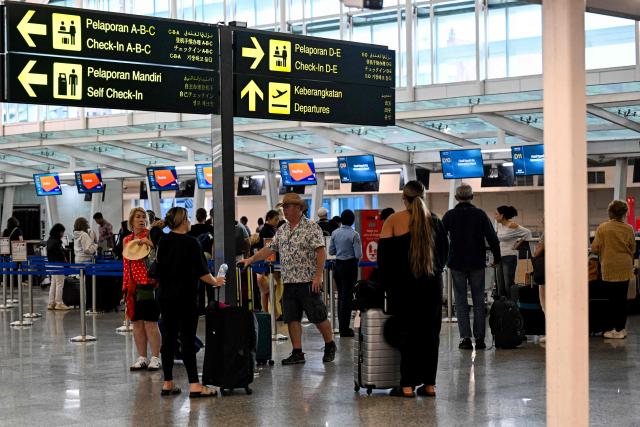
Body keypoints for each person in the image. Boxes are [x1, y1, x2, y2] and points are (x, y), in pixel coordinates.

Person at [240, 193, 336, 365]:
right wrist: (251, 259)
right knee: (292, 318)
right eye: (283, 207)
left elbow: (321, 252)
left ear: (299, 208)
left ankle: (329, 345)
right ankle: (297, 352)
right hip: (289, 281)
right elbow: (269, 249)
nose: (284, 209)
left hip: (307, 281)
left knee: (318, 316)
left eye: (288, 206)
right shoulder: (282, 230)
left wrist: (318, 276)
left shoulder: (311, 227)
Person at [378, 180, 448, 398]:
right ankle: (429, 385)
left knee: (407, 335)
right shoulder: (436, 221)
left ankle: (407, 386)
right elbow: (444, 256)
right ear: (423, 196)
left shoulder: (392, 220)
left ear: (404, 198)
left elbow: (384, 260)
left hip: (403, 289)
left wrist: (386, 288)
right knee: (430, 336)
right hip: (432, 287)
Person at [154, 207, 225, 397]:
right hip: (185, 297)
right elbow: (202, 272)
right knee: (187, 339)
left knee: (168, 339)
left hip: (164, 296)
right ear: (184, 220)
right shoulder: (191, 243)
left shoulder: (164, 241)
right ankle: (194, 384)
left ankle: (167, 383)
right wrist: (216, 281)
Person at [442, 184, 501, 350]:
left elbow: (438, 236)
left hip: (456, 263)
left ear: (456, 198)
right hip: (477, 263)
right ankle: (480, 339)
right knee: (478, 301)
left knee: (460, 301)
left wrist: (442, 259)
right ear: (472, 196)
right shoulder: (480, 214)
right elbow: (493, 238)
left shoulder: (450, 215)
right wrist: (497, 258)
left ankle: (465, 339)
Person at [122, 207, 161, 371]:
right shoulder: (127, 240)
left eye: (143, 217)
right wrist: (124, 287)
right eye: (137, 217)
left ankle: (156, 357)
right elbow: (126, 265)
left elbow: (162, 254)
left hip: (148, 284)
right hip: (131, 286)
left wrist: (150, 244)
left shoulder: (152, 235)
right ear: (131, 221)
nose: (141, 219)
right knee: (136, 323)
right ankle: (142, 357)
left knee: (150, 322)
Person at [591, 200, 635, 339]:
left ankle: (611, 329)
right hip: (624, 267)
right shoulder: (628, 229)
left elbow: (595, 248)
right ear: (624, 213)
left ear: (610, 212)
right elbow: (632, 248)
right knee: (622, 300)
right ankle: (621, 329)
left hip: (608, 268)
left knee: (611, 300)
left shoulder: (603, 228)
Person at [329, 209, 362, 337]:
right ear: (353, 221)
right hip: (350, 267)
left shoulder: (335, 233)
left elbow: (331, 251)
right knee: (347, 297)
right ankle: (345, 329)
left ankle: (341, 326)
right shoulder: (354, 234)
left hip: (338, 266)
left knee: (341, 297)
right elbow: (358, 254)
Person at [494, 206, 531, 299]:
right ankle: (502, 306)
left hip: (509, 256)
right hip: (500, 256)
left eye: (496, 214)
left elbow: (527, 233)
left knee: (508, 283)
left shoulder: (512, 225)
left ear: (502, 215)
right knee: (500, 284)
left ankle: (511, 305)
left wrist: (517, 245)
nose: (495, 216)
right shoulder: (498, 224)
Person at [255, 210, 281, 314]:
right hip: (268, 264)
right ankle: (267, 313)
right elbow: (268, 248)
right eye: (276, 219)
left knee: (270, 289)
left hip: (270, 263)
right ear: (269, 219)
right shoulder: (266, 231)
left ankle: (273, 312)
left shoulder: (271, 230)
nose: (277, 221)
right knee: (266, 290)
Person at [46, 223, 70, 311]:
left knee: (53, 283)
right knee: (60, 283)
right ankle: (59, 303)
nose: (63, 234)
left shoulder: (49, 240)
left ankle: (51, 303)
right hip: (58, 264)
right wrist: (65, 262)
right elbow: (60, 255)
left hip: (51, 264)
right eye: (62, 232)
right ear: (59, 232)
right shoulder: (57, 241)